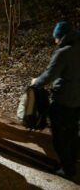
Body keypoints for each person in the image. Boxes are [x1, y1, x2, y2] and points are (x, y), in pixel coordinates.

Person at [31, 21, 80, 179]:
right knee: (72, 133)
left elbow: (49, 76)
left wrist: (35, 82)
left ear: (61, 36)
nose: (55, 41)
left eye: (56, 38)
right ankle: (73, 160)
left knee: (60, 137)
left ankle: (67, 169)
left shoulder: (64, 53)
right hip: (77, 101)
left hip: (63, 100)